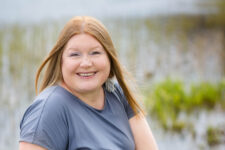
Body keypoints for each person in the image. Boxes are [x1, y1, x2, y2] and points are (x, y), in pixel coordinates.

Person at [19, 16, 158, 150]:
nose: (86, 63)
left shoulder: (117, 94)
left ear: (110, 58)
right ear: (61, 61)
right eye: (75, 54)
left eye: (95, 53)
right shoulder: (49, 109)